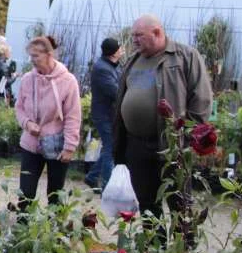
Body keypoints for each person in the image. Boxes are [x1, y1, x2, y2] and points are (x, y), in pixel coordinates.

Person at [113, 14, 212, 218]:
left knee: (179, 202)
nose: (134, 40)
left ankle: (182, 248)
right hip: (137, 145)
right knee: (147, 202)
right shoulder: (133, 61)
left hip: (171, 145)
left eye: (139, 35)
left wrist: (186, 136)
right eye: (133, 36)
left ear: (157, 32)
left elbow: (201, 100)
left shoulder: (185, 56)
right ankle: (152, 248)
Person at [14, 36, 82, 210]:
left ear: (49, 54)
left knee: (55, 193)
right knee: (26, 192)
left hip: (56, 145)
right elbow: (19, 107)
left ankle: (54, 231)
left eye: (36, 56)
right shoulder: (28, 79)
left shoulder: (68, 81)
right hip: (31, 143)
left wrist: (70, 146)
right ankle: (22, 230)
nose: (32, 60)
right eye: (30, 56)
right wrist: (27, 123)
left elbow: (73, 116)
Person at [84, 37, 123, 191]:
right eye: (119, 49)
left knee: (110, 147)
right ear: (113, 53)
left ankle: (92, 177)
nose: (122, 51)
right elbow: (115, 92)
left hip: (109, 114)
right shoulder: (102, 69)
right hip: (104, 115)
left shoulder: (110, 66)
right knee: (110, 149)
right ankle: (107, 187)